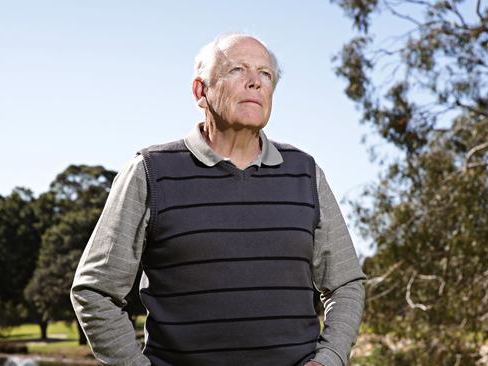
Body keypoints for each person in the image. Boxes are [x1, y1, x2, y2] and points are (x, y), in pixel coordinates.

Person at [71, 32, 366, 366]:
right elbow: (95, 291)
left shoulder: (305, 173)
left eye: (265, 74)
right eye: (237, 70)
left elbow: (346, 284)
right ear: (201, 91)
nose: (255, 82)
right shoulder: (148, 172)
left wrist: (329, 358)